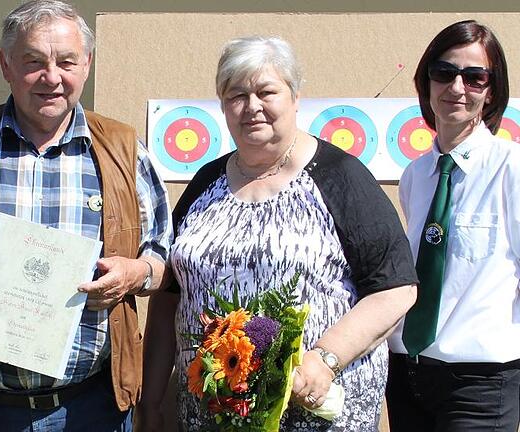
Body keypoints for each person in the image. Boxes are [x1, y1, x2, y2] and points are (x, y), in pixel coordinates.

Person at [0, 1, 171, 431]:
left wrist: (135, 272)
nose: (52, 77)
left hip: (94, 408)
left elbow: (163, 255)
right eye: (33, 62)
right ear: (5, 65)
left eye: (66, 61)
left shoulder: (123, 149)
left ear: (87, 63)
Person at [139, 36, 418, 431]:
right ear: (222, 105)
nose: (251, 106)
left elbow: (396, 288)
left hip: (314, 411)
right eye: (236, 95)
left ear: (294, 97)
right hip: (213, 416)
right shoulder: (206, 183)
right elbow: (170, 298)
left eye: (266, 91)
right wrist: (150, 404)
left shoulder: (340, 176)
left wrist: (325, 358)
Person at [386, 20, 520, 432]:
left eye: (474, 77)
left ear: (492, 90)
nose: (457, 87)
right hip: (408, 373)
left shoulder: (511, 168)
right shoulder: (416, 175)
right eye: (444, 72)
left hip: (481, 381)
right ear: (426, 81)